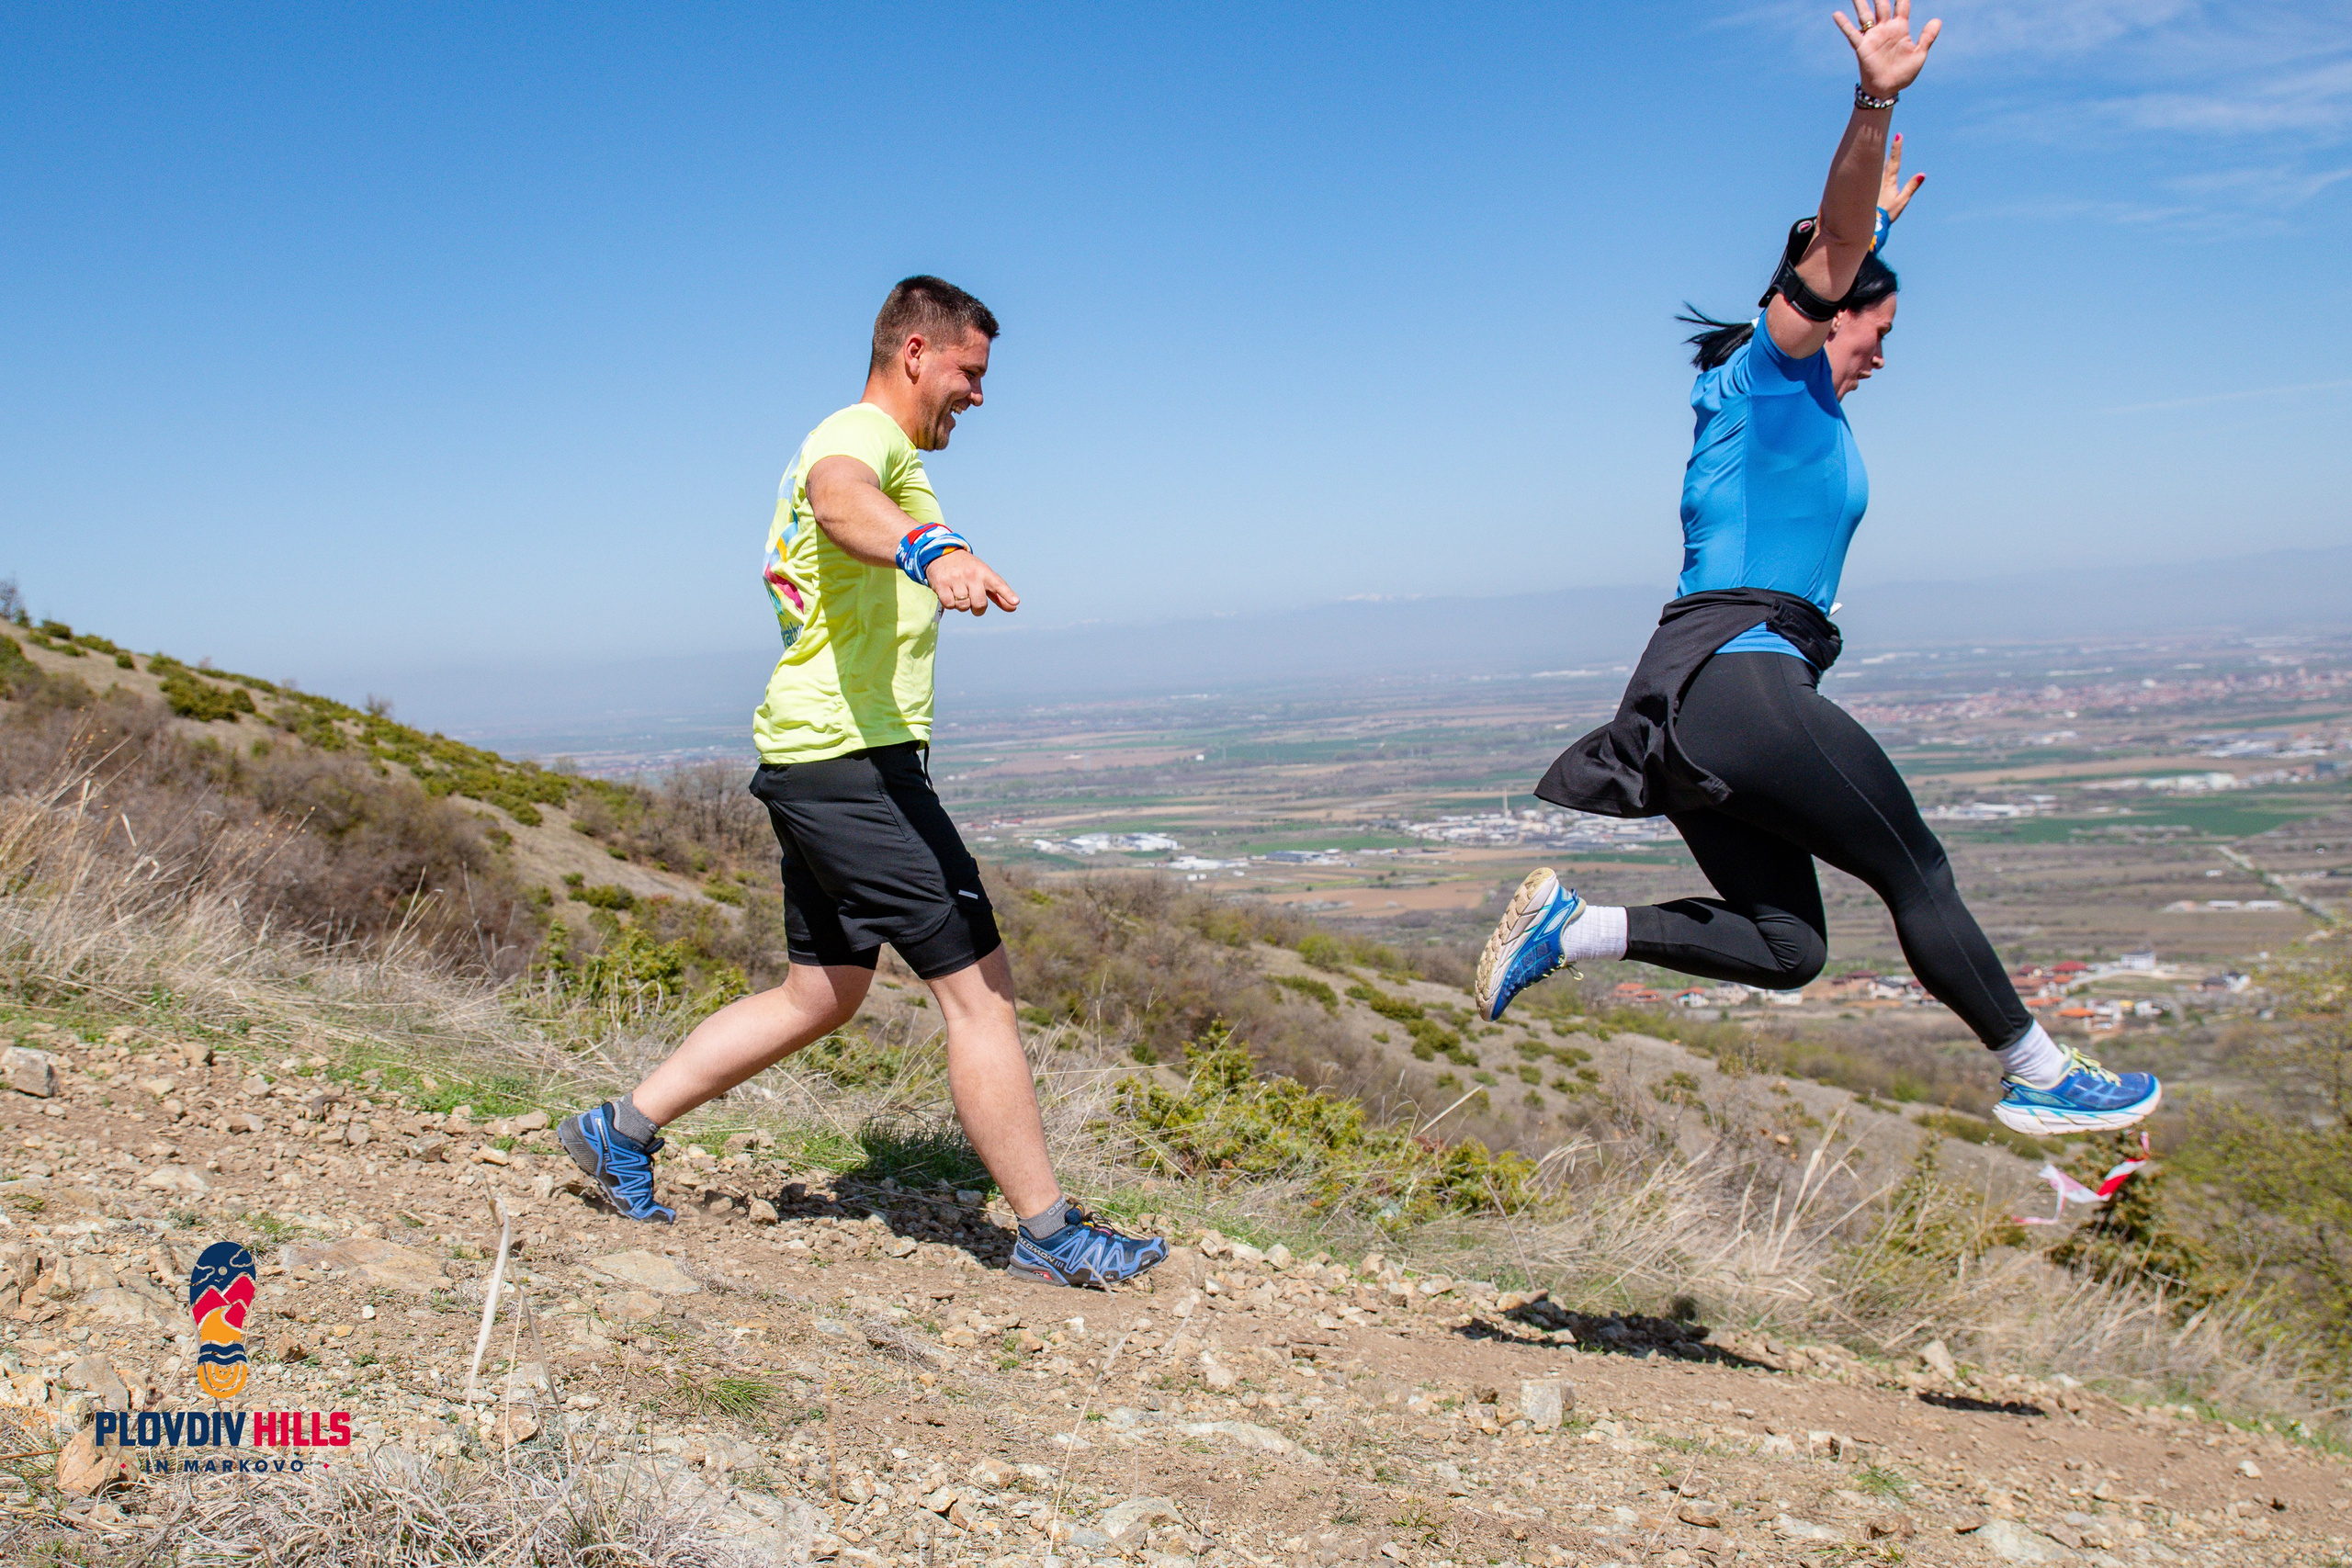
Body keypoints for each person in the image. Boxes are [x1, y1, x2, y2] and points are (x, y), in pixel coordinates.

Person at [1474, 1, 2160, 1138]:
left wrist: (1864, 222)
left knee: (1786, 948)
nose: (1883, 352)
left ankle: (1574, 927)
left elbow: (1836, 251)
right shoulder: (1768, 376)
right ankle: (2036, 1069)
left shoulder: (1780, 407)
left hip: (1693, 712)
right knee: (1919, 873)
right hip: (1742, 685)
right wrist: (1873, 103)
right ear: (1817, 310)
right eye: (1873, 330)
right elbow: (1828, 256)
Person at [559, 276, 1169, 1287]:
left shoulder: (896, 464)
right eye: (970, 373)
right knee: (980, 997)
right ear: (916, 351)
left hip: (819, 758)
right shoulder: (856, 438)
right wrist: (929, 550)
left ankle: (616, 1130)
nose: (978, 396)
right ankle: (1048, 1235)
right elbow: (843, 499)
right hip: (851, 768)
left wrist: (945, 547)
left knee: (821, 993)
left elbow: (879, 510)